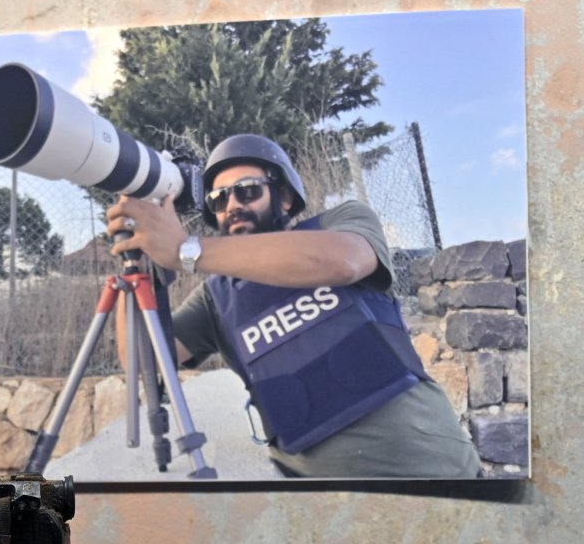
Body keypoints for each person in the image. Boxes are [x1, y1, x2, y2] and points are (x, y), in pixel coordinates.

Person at [105, 134, 481, 479]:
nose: (232, 205)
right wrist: (136, 269)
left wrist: (187, 249)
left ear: (284, 196)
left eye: (247, 191)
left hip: (436, 477)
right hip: (314, 510)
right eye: (219, 199)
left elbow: (345, 261)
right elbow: (142, 358)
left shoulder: (340, 223)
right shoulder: (215, 297)